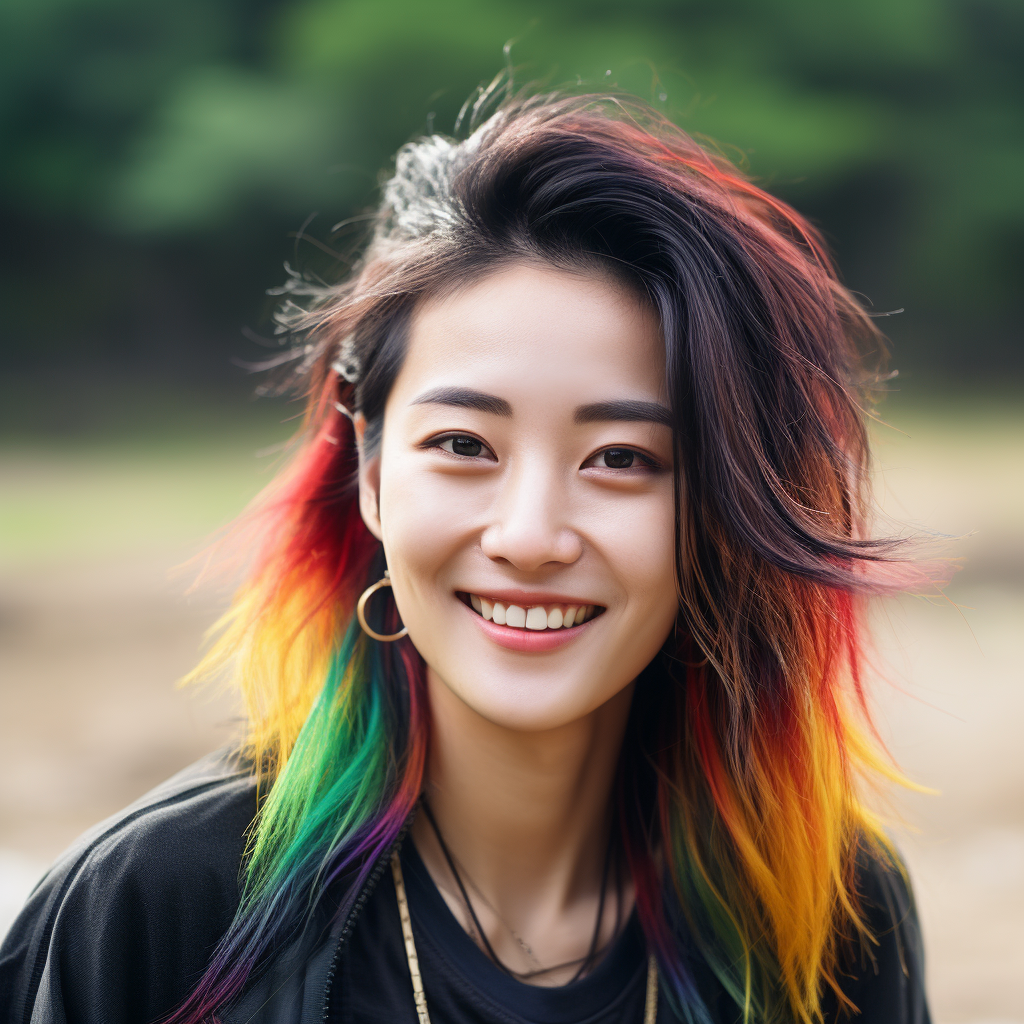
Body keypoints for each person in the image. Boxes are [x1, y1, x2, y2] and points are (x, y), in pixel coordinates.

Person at [0, 92, 932, 1024]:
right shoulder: (155, 910)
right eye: (463, 445)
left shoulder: (829, 919)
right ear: (368, 470)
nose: (529, 538)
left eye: (622, 460)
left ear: (725, 508)